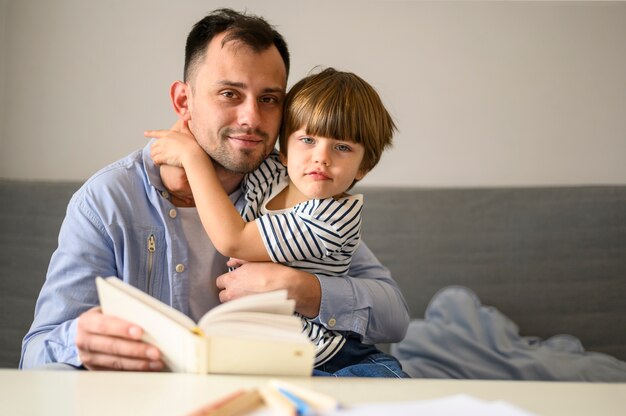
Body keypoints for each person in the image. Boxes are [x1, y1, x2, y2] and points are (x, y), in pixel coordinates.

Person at [20, 8, 409, 375]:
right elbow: (35, 355)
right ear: (183, 101)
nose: (251, 119)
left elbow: (394, 316)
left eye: (269, 99)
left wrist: (301, 289)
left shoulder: (292, 189)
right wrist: (77, 342)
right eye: (229, 94)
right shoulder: (108, 201)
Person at [147, 67, 400, 371]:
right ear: (283, 150)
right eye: (307, 140)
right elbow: (211, 138)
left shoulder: (332, 219)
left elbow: (235, 239)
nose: (321, 157)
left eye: (342, 147)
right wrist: (173, 162)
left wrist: (191, 159)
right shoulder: (274, 174)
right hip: (269, 355)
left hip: (329, 358)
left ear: (363, 167)